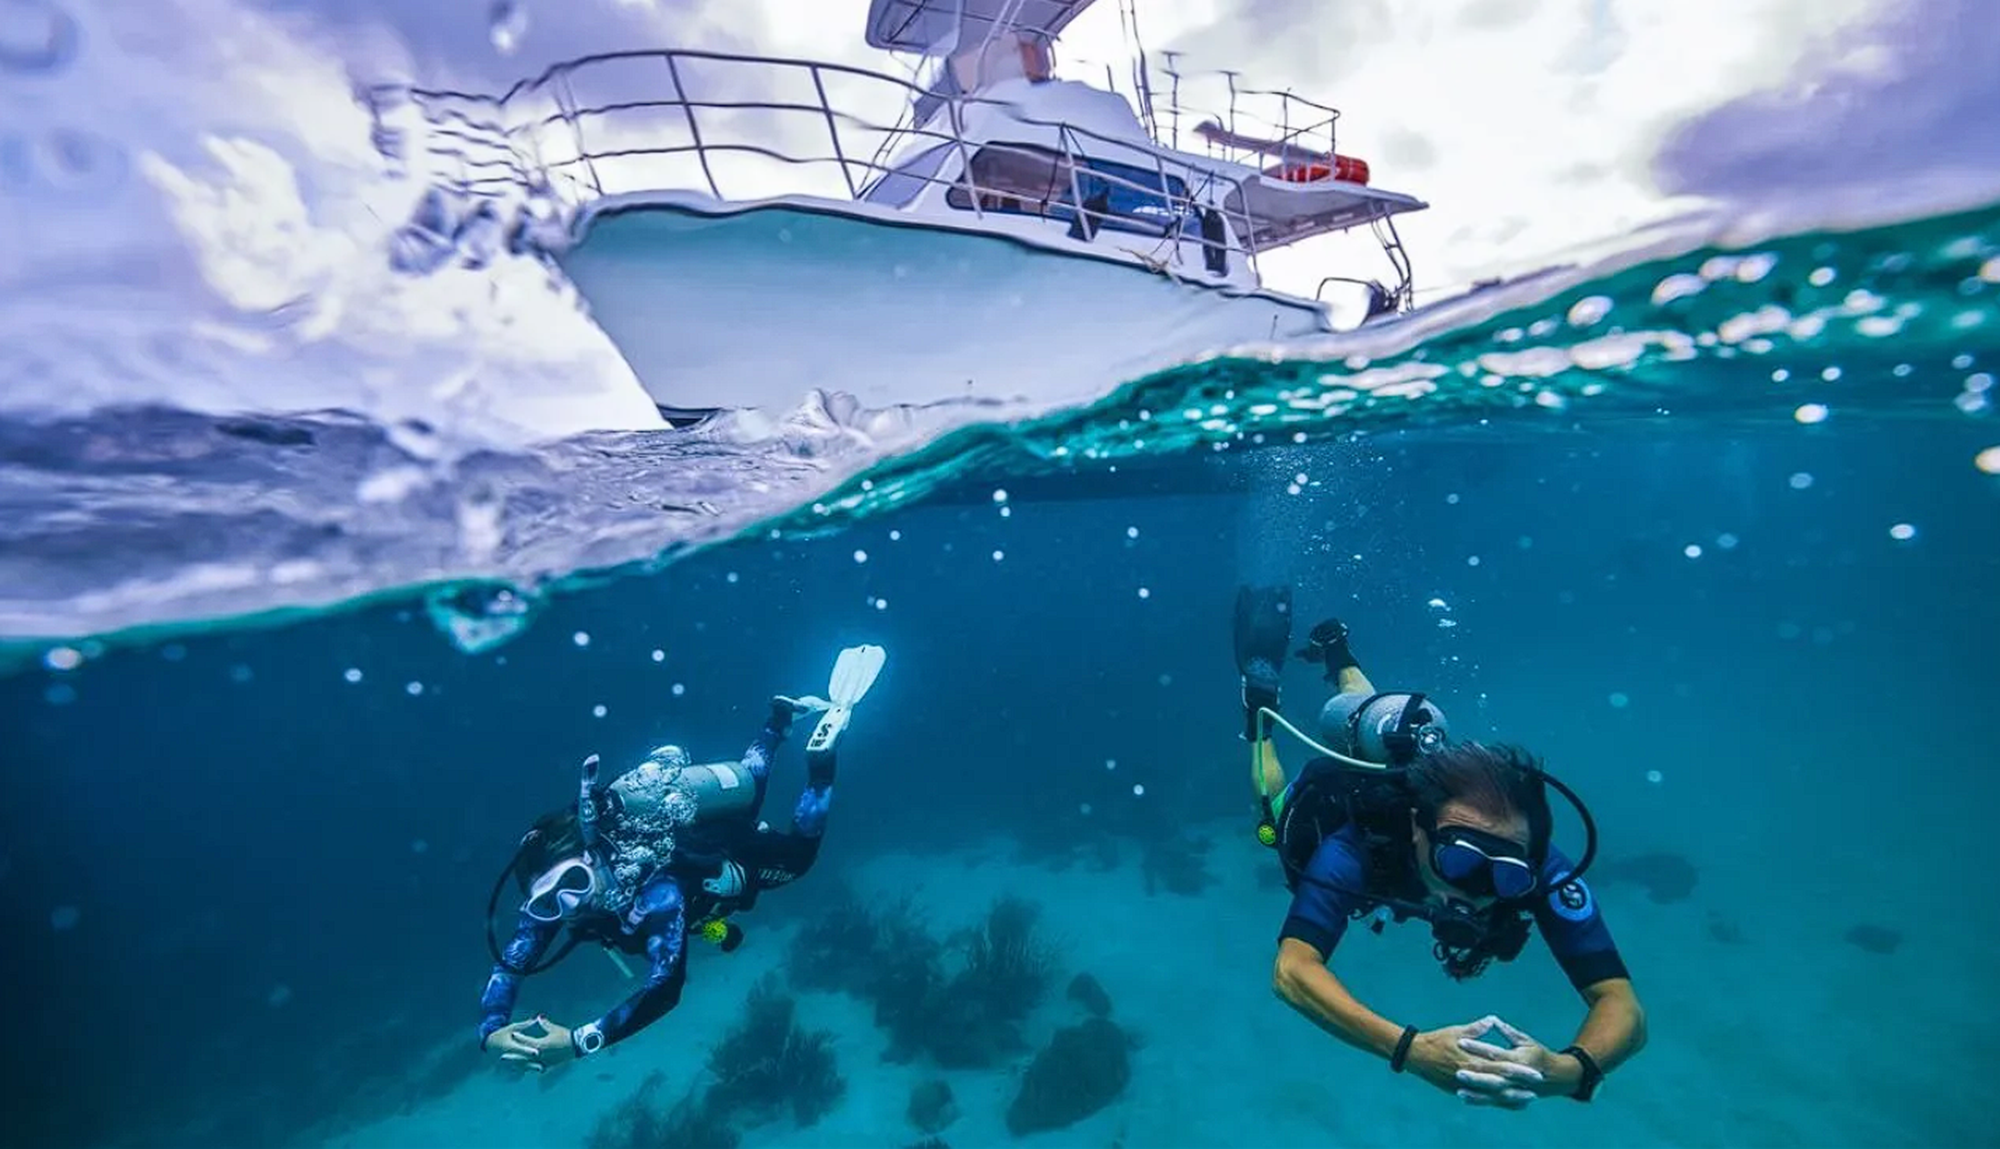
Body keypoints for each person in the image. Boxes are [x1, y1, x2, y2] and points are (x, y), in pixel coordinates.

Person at [1232, 585, 1646, 1108]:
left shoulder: (1535, 861)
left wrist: (1568, 1070)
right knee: (1270, 816)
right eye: (1461, 860)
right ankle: (1260, 714)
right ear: (1417, 827)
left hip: (1413, 765)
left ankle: (1340, 656)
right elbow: (1291, 972)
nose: (1476, 889)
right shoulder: (1358, 846)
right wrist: (1412, 1049)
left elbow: (1622, 1003)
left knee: (1379, 721)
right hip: (1341, 806)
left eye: (1507, 877)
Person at [477, 645, 886, 1072]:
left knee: (799, 856)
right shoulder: (552, 909)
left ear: (595, 857)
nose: (568, 905)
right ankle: (778, 721)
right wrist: (490, 1030)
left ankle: (820, 761)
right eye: (548, 902)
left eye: (575, 882)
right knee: (751, 795)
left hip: (718, 854)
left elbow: (666, 987)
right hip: (699, 899)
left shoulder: (658, 892)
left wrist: (580, 1041)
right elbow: (511, 965)